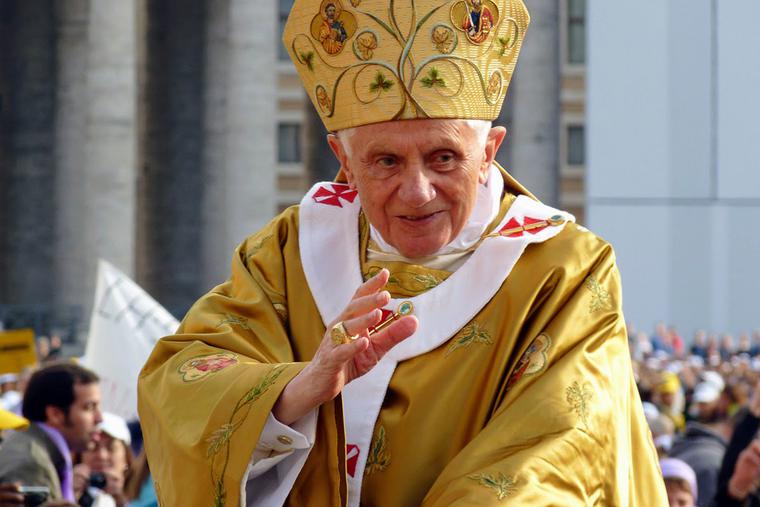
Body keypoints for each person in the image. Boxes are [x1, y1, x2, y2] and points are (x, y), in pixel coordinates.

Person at [138, 0, 667, 505]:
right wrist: (296, 388)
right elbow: (178, 384)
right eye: (385, 162)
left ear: (488, 153)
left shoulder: (563, 270)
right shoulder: (287, 253)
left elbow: (555, 457)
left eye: (443, 158)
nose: (417, 192)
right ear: (343, 159)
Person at [0, 363, 102, 503]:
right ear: (55, 414)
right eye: (89, 407)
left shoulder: (37, 449)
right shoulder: (32, 464)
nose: (99, 418)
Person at [73, 413, 133, 507]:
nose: (102, 456)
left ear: (126, 457)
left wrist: (123, 502)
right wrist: (69, 496)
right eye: (93, 447)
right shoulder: (62, 490)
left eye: (111, 448)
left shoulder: (149, 496)